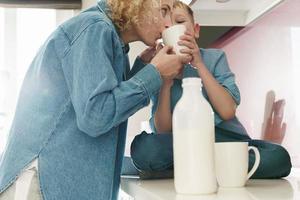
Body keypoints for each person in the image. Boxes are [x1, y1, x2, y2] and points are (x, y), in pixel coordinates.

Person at [0, 0, 193, 199]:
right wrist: (155, 73)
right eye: (164, 10)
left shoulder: (110, 40)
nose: (169, 24)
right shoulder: (94, 29)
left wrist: (145, 67)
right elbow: (96, 116)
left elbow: (109, 105)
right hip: (41, 183)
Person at [130, 0, 292, 180]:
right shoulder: (158, 69)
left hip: (227, 144)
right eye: (168, 26)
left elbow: (227, 111)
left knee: (279, 157)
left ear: (195, 30)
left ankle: (194, 166)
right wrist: (166, 82)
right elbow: (163, 130)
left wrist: (198, 63)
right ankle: (219, 166)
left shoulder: (214, 58)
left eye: (180, 21)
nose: (174, 28)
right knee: (145, 149)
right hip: (184, 144)